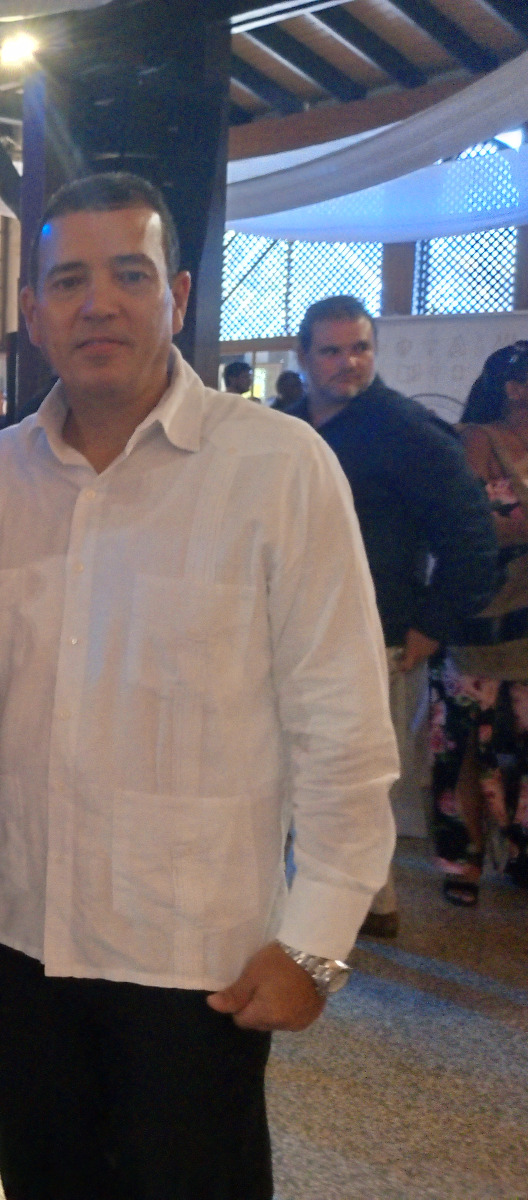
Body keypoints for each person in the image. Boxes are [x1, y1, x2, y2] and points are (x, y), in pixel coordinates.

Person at [0, 173, 398, 1200]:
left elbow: (342, 723)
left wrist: (317, 940)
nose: (96, 302)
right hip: (16, 935)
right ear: (31, 313)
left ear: (179, 296)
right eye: (67, 280)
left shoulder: (278, 467)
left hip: (195, 953)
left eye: (128, 274)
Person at [281, 294, 499, 937]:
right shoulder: (286, 428)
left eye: (361, 348)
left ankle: (367, 910)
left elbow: (471, 539)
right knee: (293, 775)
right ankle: (339, 902)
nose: (349, 362)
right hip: (287, 632)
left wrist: (432, 625)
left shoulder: (408, 431)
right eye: (332, 350)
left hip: (373, 633)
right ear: (304, 355)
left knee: (354, 780)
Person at [429, 341, 528, 903]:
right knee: (467, 742)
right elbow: (463, 527)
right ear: (514, 388)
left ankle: (519, 853)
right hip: (479, 617)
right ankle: (463, 861)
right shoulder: (475, 440)